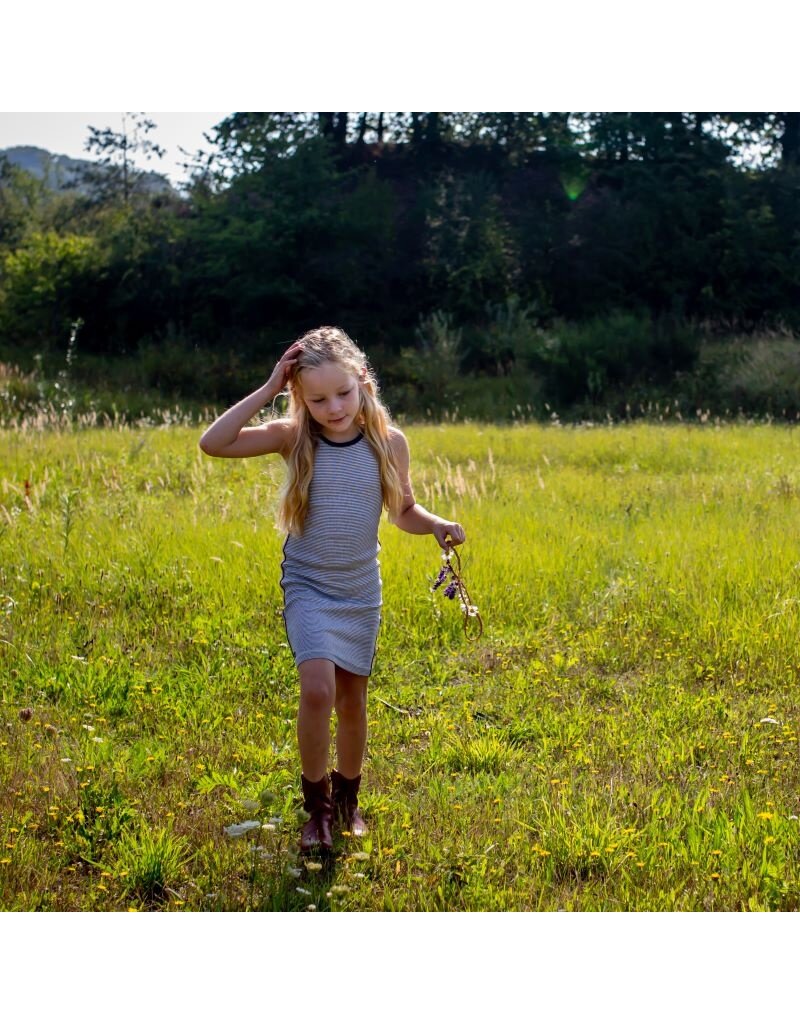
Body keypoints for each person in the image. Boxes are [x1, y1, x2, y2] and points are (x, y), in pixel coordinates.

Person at [199, 326, 466, 853]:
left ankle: (348, 801)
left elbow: (403, 511)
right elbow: (215, 443)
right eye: (316, 398)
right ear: (299, 396)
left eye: (343, 393)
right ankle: (316, 809)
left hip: (359, 589)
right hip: (309, 585)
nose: (334, 407)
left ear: (363, 380)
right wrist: (270, 385)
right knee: (317, 689)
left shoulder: (388, 444)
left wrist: (435, 523)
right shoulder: (293, 436)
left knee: (353, 701)